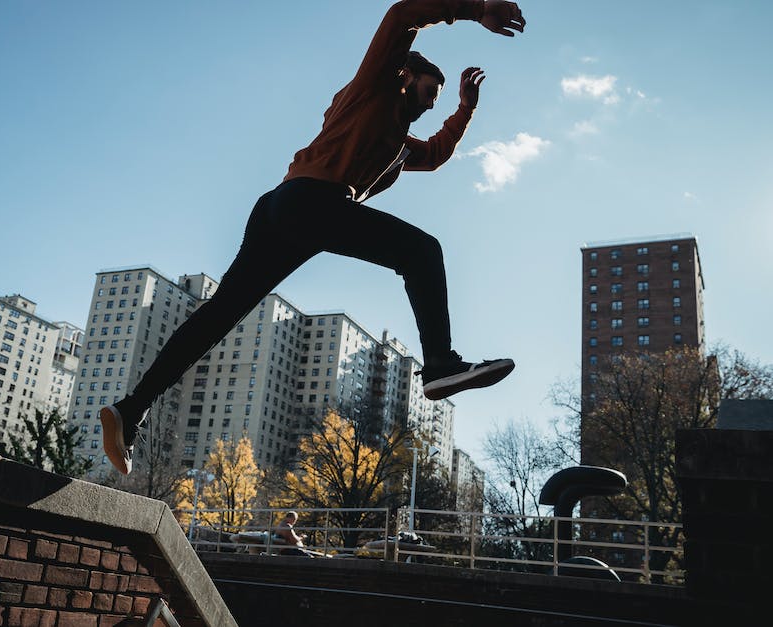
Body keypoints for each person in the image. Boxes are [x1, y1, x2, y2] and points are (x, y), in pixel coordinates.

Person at [101, 0, 526, 475]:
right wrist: (478, 8)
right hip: (309, 201)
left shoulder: (397, 144)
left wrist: (464, 111)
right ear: (406, 75)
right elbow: (404, 12)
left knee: (220, 316)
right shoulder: (374, 87)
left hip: (284, 212)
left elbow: (432, 155)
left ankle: (130, 409)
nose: (431, 104)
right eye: (431, 92)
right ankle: (441, 364)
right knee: (421, 251)